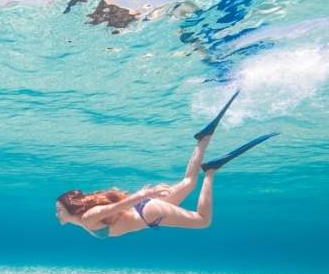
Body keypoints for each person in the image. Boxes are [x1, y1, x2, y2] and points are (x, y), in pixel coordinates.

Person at [55, 90, 279, 239]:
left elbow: (116, 208)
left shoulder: (86, 218)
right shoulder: (83, 218)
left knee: (203, 221)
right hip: (147, 209)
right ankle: (204, 139)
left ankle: (210, 172)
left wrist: (146, 193)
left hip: (148, 211)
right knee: (189, 182)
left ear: (71, 208)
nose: (56, 214)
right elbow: (116, 210)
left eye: (59, 209)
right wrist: (146, 196)